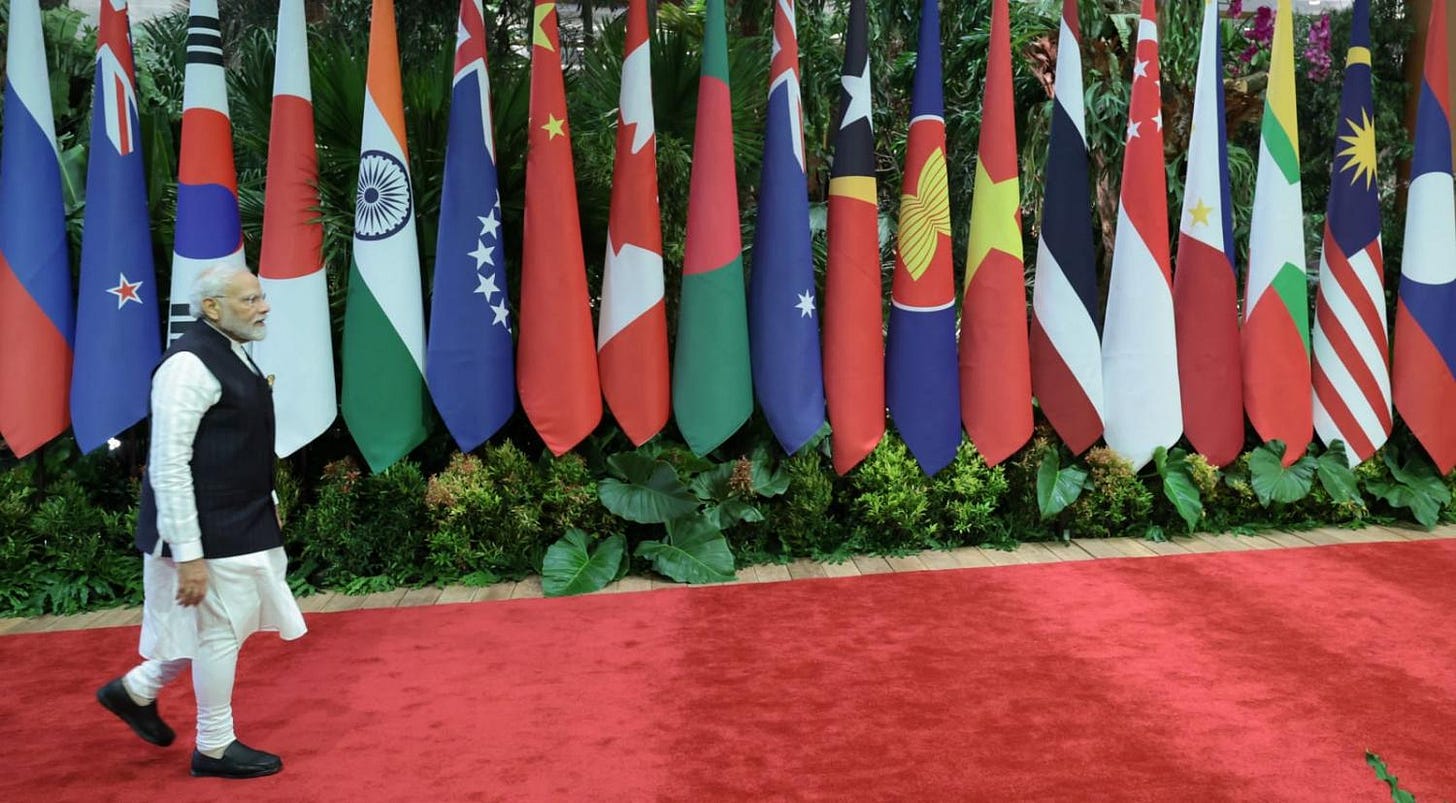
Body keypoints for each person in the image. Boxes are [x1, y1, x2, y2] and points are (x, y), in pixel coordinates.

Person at [97, 262, 306, 779]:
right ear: (211, 307)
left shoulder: (229, 349)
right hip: (207, 530)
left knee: (226, 625)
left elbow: (238, 443)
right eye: (250, 300)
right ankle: (213, 746)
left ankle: (136, 690)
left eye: (260, 296)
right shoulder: (188, 365)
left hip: (238, 520)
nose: (264, 307)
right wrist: (188, 554)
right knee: (220, 633)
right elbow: (168, 465)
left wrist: (268, 498)